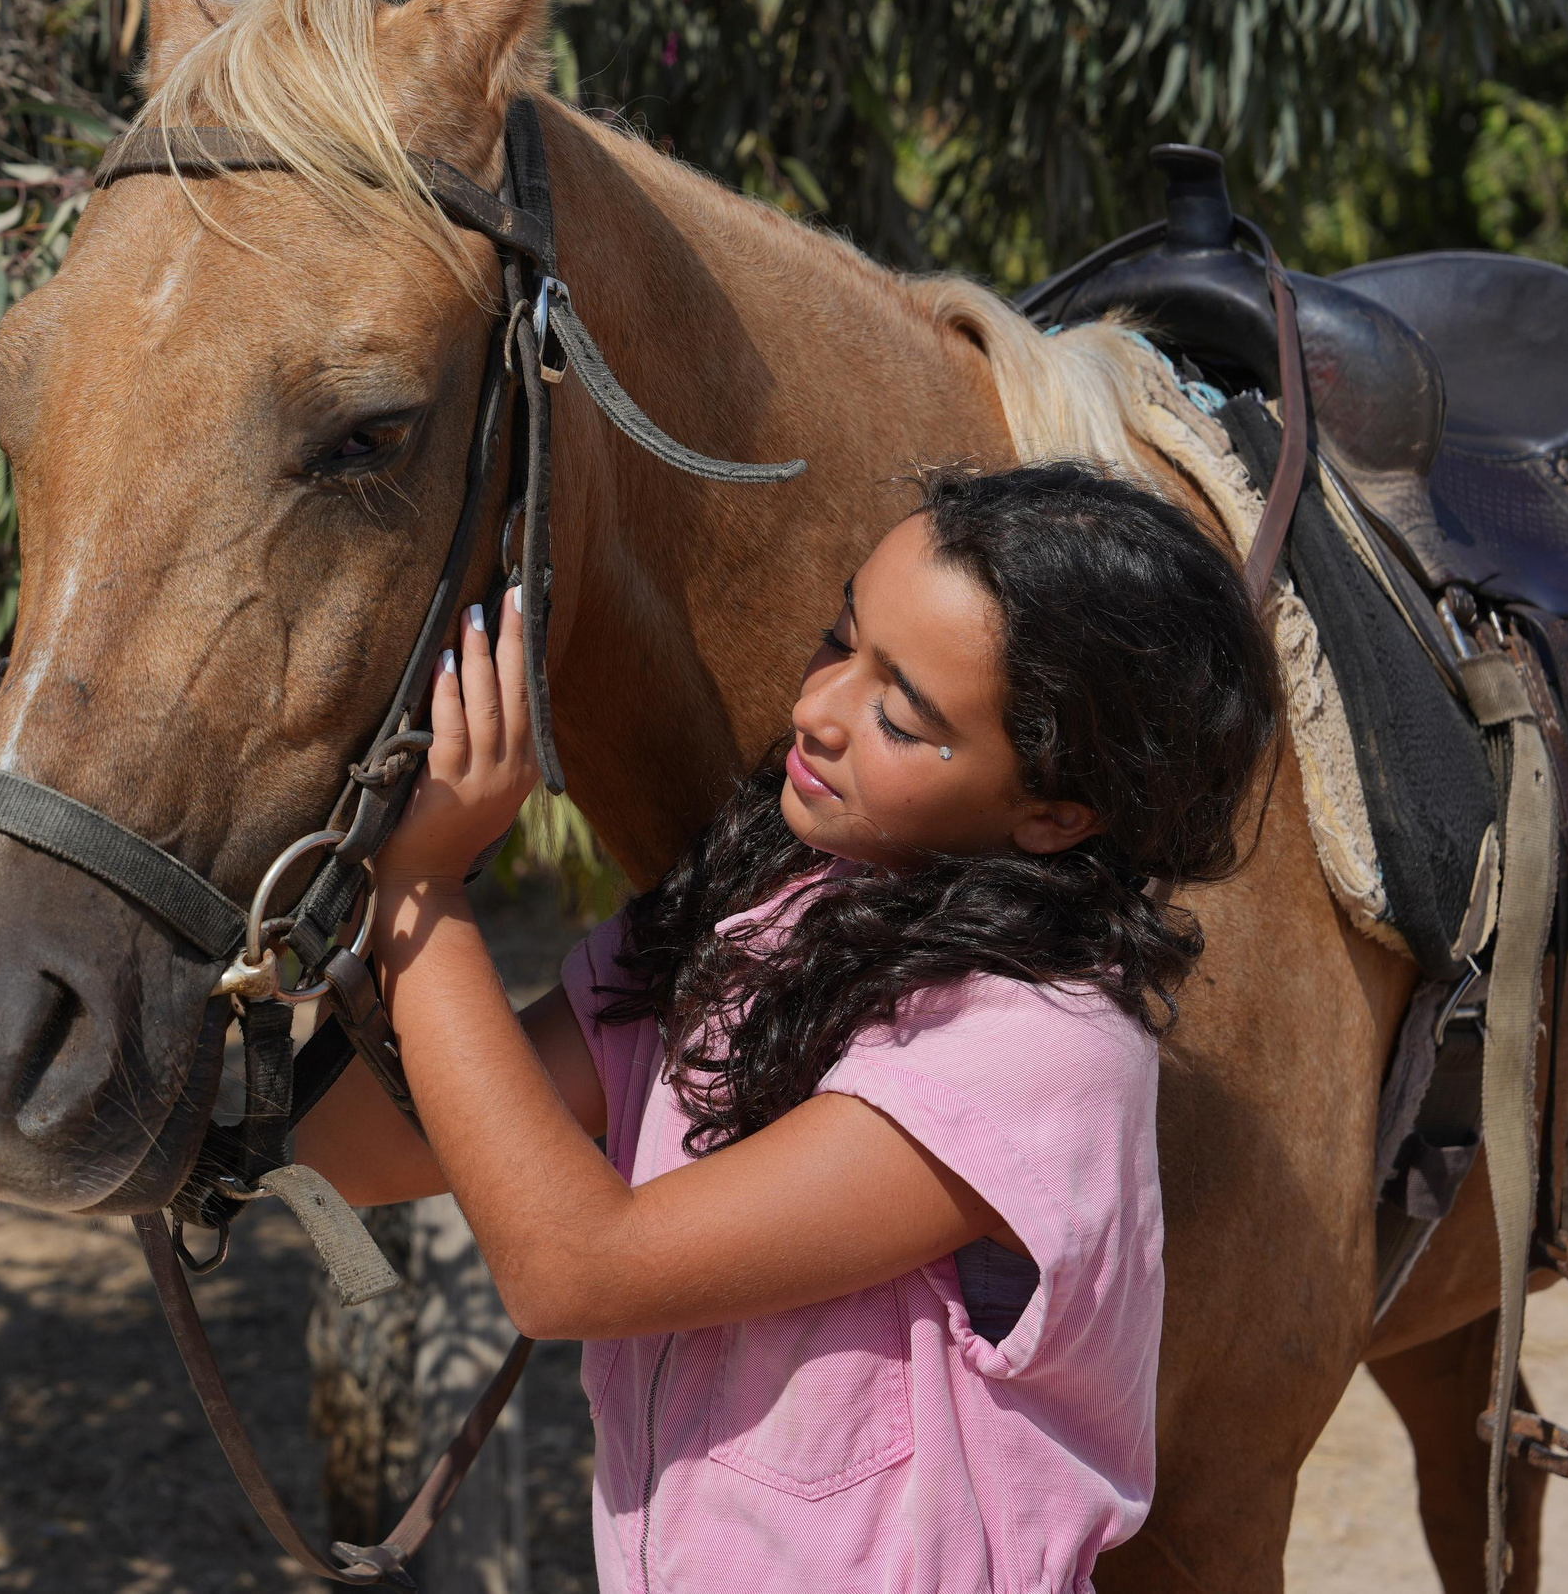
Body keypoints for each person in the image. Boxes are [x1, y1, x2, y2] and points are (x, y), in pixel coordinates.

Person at [294, 462, 1283, 1593]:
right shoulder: (760, 921)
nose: (815, 711)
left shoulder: (1039, 1044)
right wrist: (399, 860)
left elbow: (574, 1270)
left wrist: (427, 889)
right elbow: (354, 1154)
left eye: (899, 717)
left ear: (1055, 812)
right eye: (836, 641)